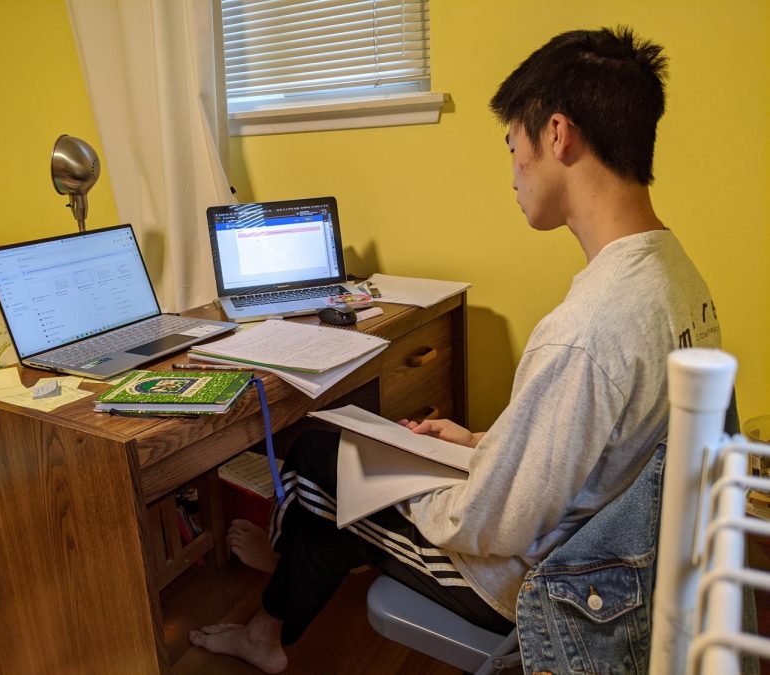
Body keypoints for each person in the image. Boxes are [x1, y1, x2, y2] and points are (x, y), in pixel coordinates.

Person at [189, 26, 722, 673]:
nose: (514, 173)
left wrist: (410, 486)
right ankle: (287, 585)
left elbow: (496, 527)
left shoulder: (586, 330)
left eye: (512, 146)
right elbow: (594, 451)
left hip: (529, 582)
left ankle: (272, 613)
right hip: (611, 553)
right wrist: (471, 446)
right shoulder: (675, 275)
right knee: (351, 464)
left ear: (557, 135)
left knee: (323, 456)